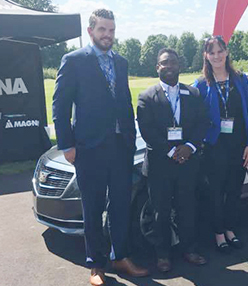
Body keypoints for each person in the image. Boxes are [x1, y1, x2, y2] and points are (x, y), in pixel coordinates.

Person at [52, 9, 149, 286]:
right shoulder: (73, 61)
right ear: (91, 31)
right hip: (89, 150)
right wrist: (67, 145)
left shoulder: (121, 62)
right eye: (103, 29)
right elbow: (59, 107)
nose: (108, 35)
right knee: (92, 209)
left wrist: (130, 138)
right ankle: (96, 265)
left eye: (112, 30)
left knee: (120, 206)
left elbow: (125, 101)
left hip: (120, 148)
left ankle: (121, 257)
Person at [136, 48, 209, 273]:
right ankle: (163, 255)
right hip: (160, 165)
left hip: (187, 163)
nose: (169, 66)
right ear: (157, 67)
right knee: (161, 211)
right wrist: (171, 152)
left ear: (180, 66)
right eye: (164, 63)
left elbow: (202, 124)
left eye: (173, 62)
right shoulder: (146, 96)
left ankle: (189, 250)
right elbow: (147, 132)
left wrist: (189, 147)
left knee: (188, 208)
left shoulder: (193, 94)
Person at [194, 36, 248, 254]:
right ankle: (219, 233)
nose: (217, 56)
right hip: (214, 147)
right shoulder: (201, 85)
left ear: (227, 52)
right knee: (216, 192)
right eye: (212, 52)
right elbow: (196, 118)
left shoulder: (240, 79)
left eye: (220, 51)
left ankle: (230, 229)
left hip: (239, 145)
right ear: (206, 56)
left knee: (233, 190)